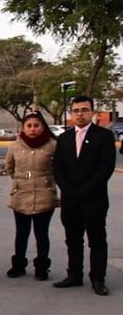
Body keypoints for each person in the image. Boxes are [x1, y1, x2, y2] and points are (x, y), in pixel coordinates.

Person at [52, 96, 116, 296]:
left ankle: (98, 278)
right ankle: (74, 275)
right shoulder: (64, 139)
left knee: (96, 240)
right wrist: (69, 190)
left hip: (94, 199)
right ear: (71, 114)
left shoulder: (104, 136)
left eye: (84, 110)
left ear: (92, 112)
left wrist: (85, 189)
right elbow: (58, 168)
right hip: (70, 200)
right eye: (76, 110)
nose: (80, 114)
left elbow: (106, 167)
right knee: (73, 239)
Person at [4, 111, 58, 280]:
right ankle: (18, 265)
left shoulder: (52, 145)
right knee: (21, 233)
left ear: (42, 127)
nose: (32, 129)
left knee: (41, 234)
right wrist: (22, 181)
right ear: (23, 128)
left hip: (45, 195)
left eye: (36, 125)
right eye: (29, 126)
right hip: (20, 195)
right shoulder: (15, 146)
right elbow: (9, 167)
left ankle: (42, 267)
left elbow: (58, 168)